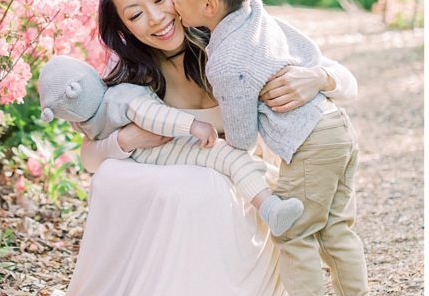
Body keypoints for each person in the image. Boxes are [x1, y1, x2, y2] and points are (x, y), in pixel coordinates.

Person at [49, 0, 358, 296]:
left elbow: (345, 79)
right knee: (130, 176)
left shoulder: (233, 33)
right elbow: (89, 155)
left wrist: (320, 79)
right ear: (123, 27)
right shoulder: (134, 78)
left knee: (241, 198)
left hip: (246, 184)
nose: (156, 19)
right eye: (136, 14)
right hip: (189, 194)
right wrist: (128, 138)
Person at [172, 0, 378, 296]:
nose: (172, 2)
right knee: (336, 228)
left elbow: (243, 135)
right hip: (334, 126)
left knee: (294, 230)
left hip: (307, 142)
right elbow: (307, 51)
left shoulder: (226, 59)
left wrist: (235, 154)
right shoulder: (255, 11)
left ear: (208, 6)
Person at [37, 54, 304, 236]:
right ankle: (270, 208)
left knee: (230, 163)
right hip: (174, 145)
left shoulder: (85, 123)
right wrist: (192, 125)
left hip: (151, 159)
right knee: (231, 159)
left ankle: (270, 204)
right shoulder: (120, 98)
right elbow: (154, 115)